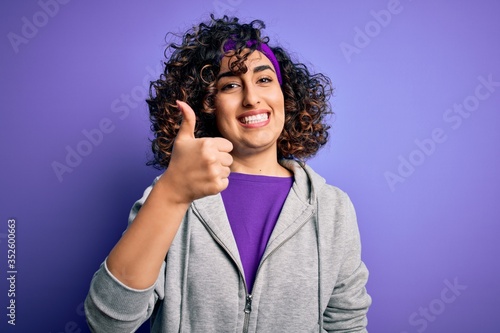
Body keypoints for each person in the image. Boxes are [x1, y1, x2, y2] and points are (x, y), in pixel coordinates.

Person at [85, 15, 371, 332]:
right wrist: (171, 195)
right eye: (231, 85)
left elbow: (347, 326)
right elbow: (108, 322)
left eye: (264, 80)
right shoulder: (168, 196)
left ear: (286, 96)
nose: (251, 98)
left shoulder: (332, 208)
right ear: (207, 103)